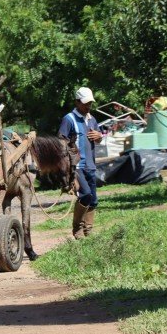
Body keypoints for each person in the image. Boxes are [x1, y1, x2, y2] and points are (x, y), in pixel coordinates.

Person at [58, 86, 103, 239]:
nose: (88, 106)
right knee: (85, 194)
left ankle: (88, 230)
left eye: (90, 103)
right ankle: (77, 229)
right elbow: (61, 142)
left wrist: (99, 136)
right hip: (77, 166)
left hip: (90, 164)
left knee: (93, 199)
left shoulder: (92, 119)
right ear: (77, 102)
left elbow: (98, 137)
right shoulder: (69, 119)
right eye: (85, 103)